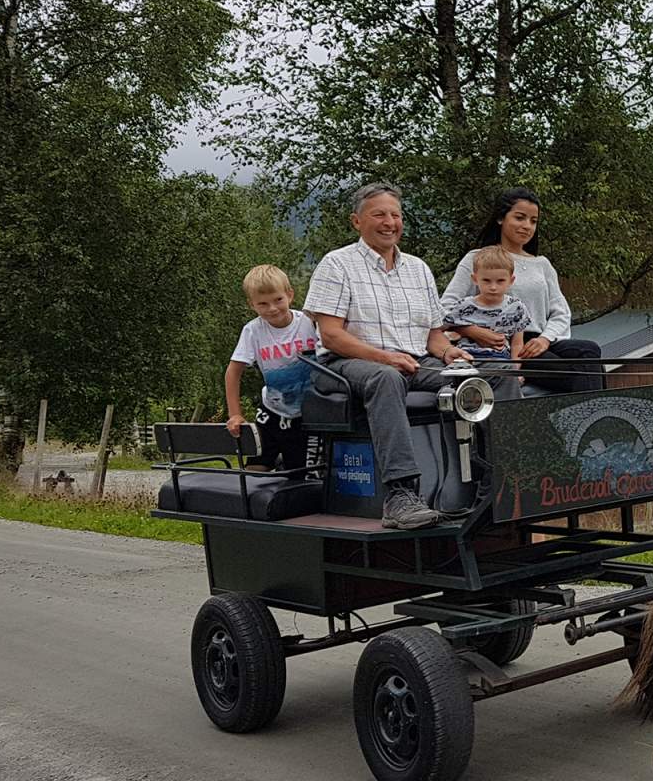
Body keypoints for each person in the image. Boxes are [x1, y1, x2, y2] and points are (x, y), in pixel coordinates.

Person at [304, 182, 472, 529]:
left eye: (395, 215)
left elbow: (433, 336)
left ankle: (494, 480)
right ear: (356, 221)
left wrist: (451, 353)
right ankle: (399, 496)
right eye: (379, 214)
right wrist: (384, 358)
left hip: (413, 361)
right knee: (387, 377)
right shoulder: (337, 264)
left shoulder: (418, 269)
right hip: (347, 363)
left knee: (476, 378)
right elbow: (332, 336)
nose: (389, 222)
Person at [441, 188, 605, 393]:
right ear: (501, 218)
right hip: (506, 344)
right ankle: (594, 418)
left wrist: (545, 339)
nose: (527, 226)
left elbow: (561, 312)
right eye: (520, 218)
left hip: (541, 340)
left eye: (533, 221)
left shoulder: (542, 264)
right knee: (575, 374)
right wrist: (474, 331)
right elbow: (445, 308)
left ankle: (593, 417)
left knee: (590, 350)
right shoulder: (478, 258)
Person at [223, 264, 323, 473]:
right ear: (252, 305)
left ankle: (286, 468)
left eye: (278, 300)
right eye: (263, 304)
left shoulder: (308, 323)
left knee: (301, 475)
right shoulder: (253, 331)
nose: (272, 308)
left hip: (308, 413)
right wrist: (235, 414)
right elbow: (233, 371)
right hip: (271, 410)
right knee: (253, 472)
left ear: (290, 295)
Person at [442, 245, 531, 361]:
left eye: (500, 281)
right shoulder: (462, 306)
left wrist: (516, 370)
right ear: (475, 279)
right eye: (486, 280)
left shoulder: (517, 308)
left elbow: (517, 344)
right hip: (466, 357)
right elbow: (441, 328)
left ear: (511, 281)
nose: (493, 287)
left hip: (500, 359)